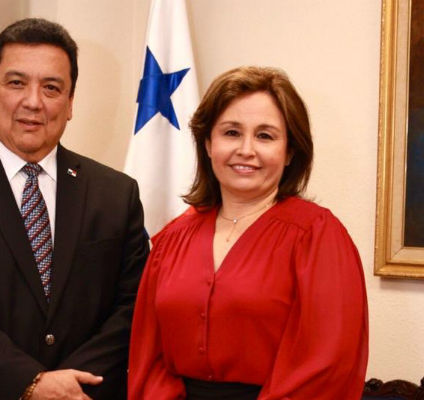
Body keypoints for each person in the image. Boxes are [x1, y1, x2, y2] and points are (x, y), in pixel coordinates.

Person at [0, 18, 149, 400]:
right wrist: (31, 382)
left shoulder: (117, 193)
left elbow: (134, 303)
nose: (33, 102)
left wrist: (71, 385)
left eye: (52, 88)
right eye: (17, 83)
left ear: (70, 103)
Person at [128, 66, 368, 400]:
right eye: (231, 133)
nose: (246, 150)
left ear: (290, 153)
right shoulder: (172, 239)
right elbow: (146, 355)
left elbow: (326, 365)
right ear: (208, 144)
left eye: (265, 136)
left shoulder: (317, 236)